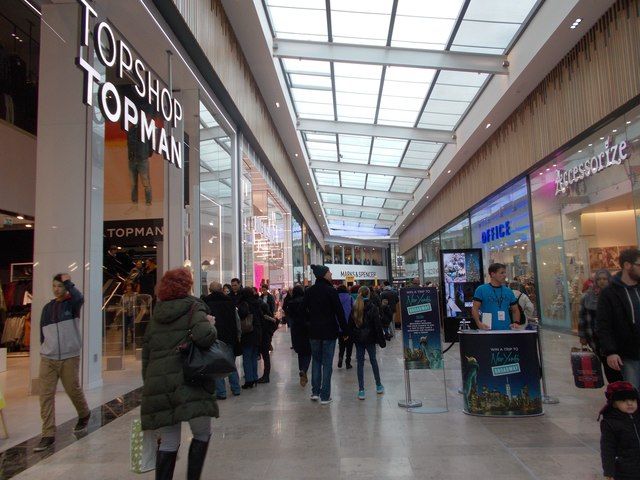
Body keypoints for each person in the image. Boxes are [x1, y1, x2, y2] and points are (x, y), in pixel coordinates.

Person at [140, 267, 217, 479]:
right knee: (202, 433)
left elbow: (146, 354)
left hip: (160, 384)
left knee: (168, 440)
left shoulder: (157, 314)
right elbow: (204, 337)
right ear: (187, 286)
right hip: (189, 380)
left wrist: (150, 383)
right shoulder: (194, 307)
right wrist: (211, 325)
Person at [34, 273, 91, 452]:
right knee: (45, 395)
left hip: (69, 356)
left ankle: (84, 413)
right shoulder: (47, 308)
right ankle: (48, 434)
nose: (56, 289)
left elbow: (80, 297)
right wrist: (45, 348)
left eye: (60, 286)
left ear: (65, 287)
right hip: (48, 357)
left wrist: (68, 281)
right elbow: (42, 332)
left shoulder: (72, 304)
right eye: (55, 286)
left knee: (72, 388)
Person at [302, 265, 348, 405]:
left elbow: (302, 310)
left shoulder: (310, 291)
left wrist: (309, 323)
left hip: (314, 332)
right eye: (329, 272)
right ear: (323, 275)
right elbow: (339, 312)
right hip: (329, 332)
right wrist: (345, 331)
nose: (331, 274)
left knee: (316, 361)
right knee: (327, 363)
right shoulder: (330, 291)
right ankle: (325, 396)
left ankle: (315, 392)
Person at [597, 249, 640, 389]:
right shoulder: (609, 293)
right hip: (627, 354)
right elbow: (604, 325)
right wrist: (610, 351)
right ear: (628, 265)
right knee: (632, 392)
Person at [579, 270, 622, 384]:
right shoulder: (588, 296)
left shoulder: (616, 295)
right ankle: (615, 393)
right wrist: (582, 336)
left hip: (614, 338)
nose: (602, 282)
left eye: (604, 279)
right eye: (599, 279)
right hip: (595, 338)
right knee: (608, 368)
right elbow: (582, 317)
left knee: (618, 367)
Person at [203, 281, 241, 399]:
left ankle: (221, 392)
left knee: (216, 364)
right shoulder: (229, 302)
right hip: (229, 336)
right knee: (230, 363)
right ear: (221, 289)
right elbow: (237, 320)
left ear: (210, 289)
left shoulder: (206, 302)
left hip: (214, 337)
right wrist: (238, 335)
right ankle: (236, 388)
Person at [598, 381, 640, 480]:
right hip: (625, 471)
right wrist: (609, 472)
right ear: (614, 404)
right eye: (624, 401)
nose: (630, 403)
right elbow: (607, 449)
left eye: (633, 400)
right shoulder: (610, 424)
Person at [349, 286, 385, 400]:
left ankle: (361, 390)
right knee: (373, 360)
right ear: (369, 294)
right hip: (370, 338)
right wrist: (381, 340)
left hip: (359, 339)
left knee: (360, 364)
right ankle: (378, 385)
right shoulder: (372, 307)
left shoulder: (355, 307)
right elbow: (377, 325)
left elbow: (350, 324)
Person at [471, 263, 521, 330]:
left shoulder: (508, 291)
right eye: (502, 273)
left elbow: (515, 310)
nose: (504, 275)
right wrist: (478, 323)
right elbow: (475, 308)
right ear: (492, 274)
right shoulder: (481, 289)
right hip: (487, 330)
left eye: (505, 273)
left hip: (506, 330)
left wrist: (516, 322)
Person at [284, 285, 311, 386]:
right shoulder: (306, 301)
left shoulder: (291, 303)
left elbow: (289, 314)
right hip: (307, 328)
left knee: (300, 351)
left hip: (296, 328)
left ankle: (301, 370)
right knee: (308, 351)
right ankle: (304, 369)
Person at [237, 287, 263, 389]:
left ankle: (249, 380)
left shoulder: (244, 304)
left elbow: (241, 316)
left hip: (247, 333)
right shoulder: (257, 303)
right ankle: (255, 377)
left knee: (247, 357)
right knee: (253, 357)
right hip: (257, 332)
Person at [336, 285, 353, 369]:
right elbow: (353, 309)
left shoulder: (335, 298)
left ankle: (340, 357)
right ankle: (348, 362)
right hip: (348, 325)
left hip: (339, 325)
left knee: (341, 343)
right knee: (349, 345)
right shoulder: (350, 298)